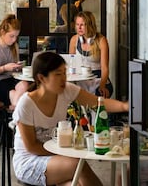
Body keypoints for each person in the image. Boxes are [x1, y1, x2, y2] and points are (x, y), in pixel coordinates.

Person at [12, 52, 129, 186]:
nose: (64, 78)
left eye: (64, 72)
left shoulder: (66, 90)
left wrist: (125, 106)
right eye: (58, 74)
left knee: (78, 182)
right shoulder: (26, 104)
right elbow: (32, 147)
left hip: (56, 157)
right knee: (77, 165)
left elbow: (97, 103)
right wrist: (64, 152)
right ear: (41, 78)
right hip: (29, 162)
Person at [0, 14, 30, 107]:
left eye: (16, 36)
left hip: (10, 79)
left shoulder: (14, 46)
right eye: (11, 36)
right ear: (2, 32)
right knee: (14, 94)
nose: (14, 40)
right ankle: (16, 109)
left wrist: (18, 67)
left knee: (25, 85)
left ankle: (14, 108)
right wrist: (4, 68)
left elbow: (15, 70)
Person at [69, 11, 113, 98]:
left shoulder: (101, 41)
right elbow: (72, 64)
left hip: (98, 79)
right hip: (80, 79)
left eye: (82, 25)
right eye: (77, 24)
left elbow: (105, 68)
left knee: (99, 96)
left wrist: (102, 85)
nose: (79, 27)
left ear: (89, 25)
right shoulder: (74, 40)